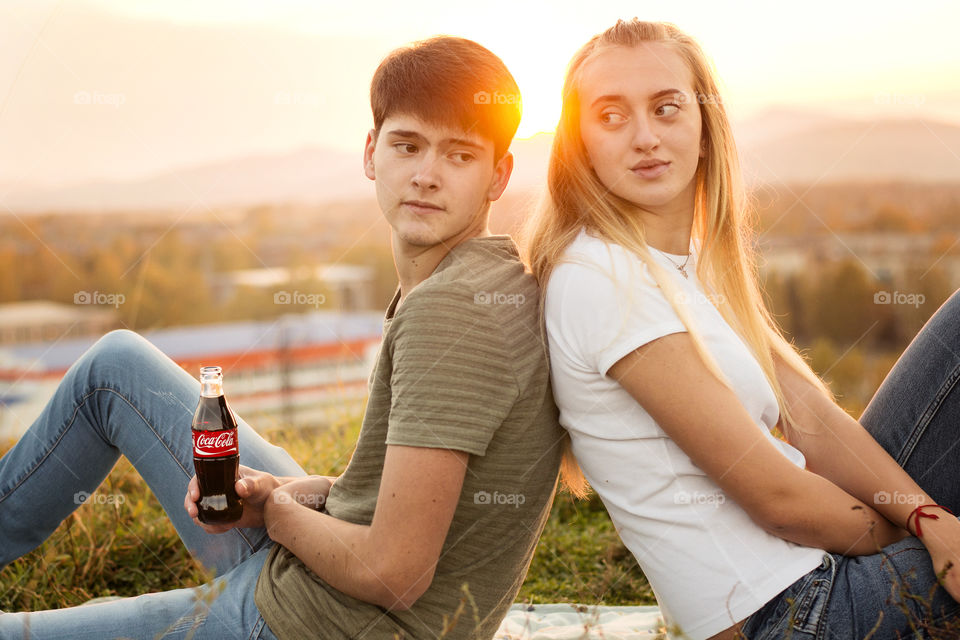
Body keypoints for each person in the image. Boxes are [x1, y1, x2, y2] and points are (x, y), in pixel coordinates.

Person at [0, 36, 563, 639]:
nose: (426, 175)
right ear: (372, 153)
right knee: (116, 367)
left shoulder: (452, 312)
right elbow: (384, 495)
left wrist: (274, 511)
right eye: (408, 145)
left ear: (499, 175)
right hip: (328, 580)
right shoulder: (476, 277)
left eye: (459, 156)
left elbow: (395, 572)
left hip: (319, 624)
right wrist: (288, 491)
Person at [524, 18, 960, 640]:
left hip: (822, 571)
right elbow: (777, 498)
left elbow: (811, 415)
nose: (645, 136)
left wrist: (927, 516)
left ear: (704, 130)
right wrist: (921, 534)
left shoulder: (694, 261)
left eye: (666, 107)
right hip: (794, 613)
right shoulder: (599, 277)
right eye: (612, 116)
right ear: (580, 144)